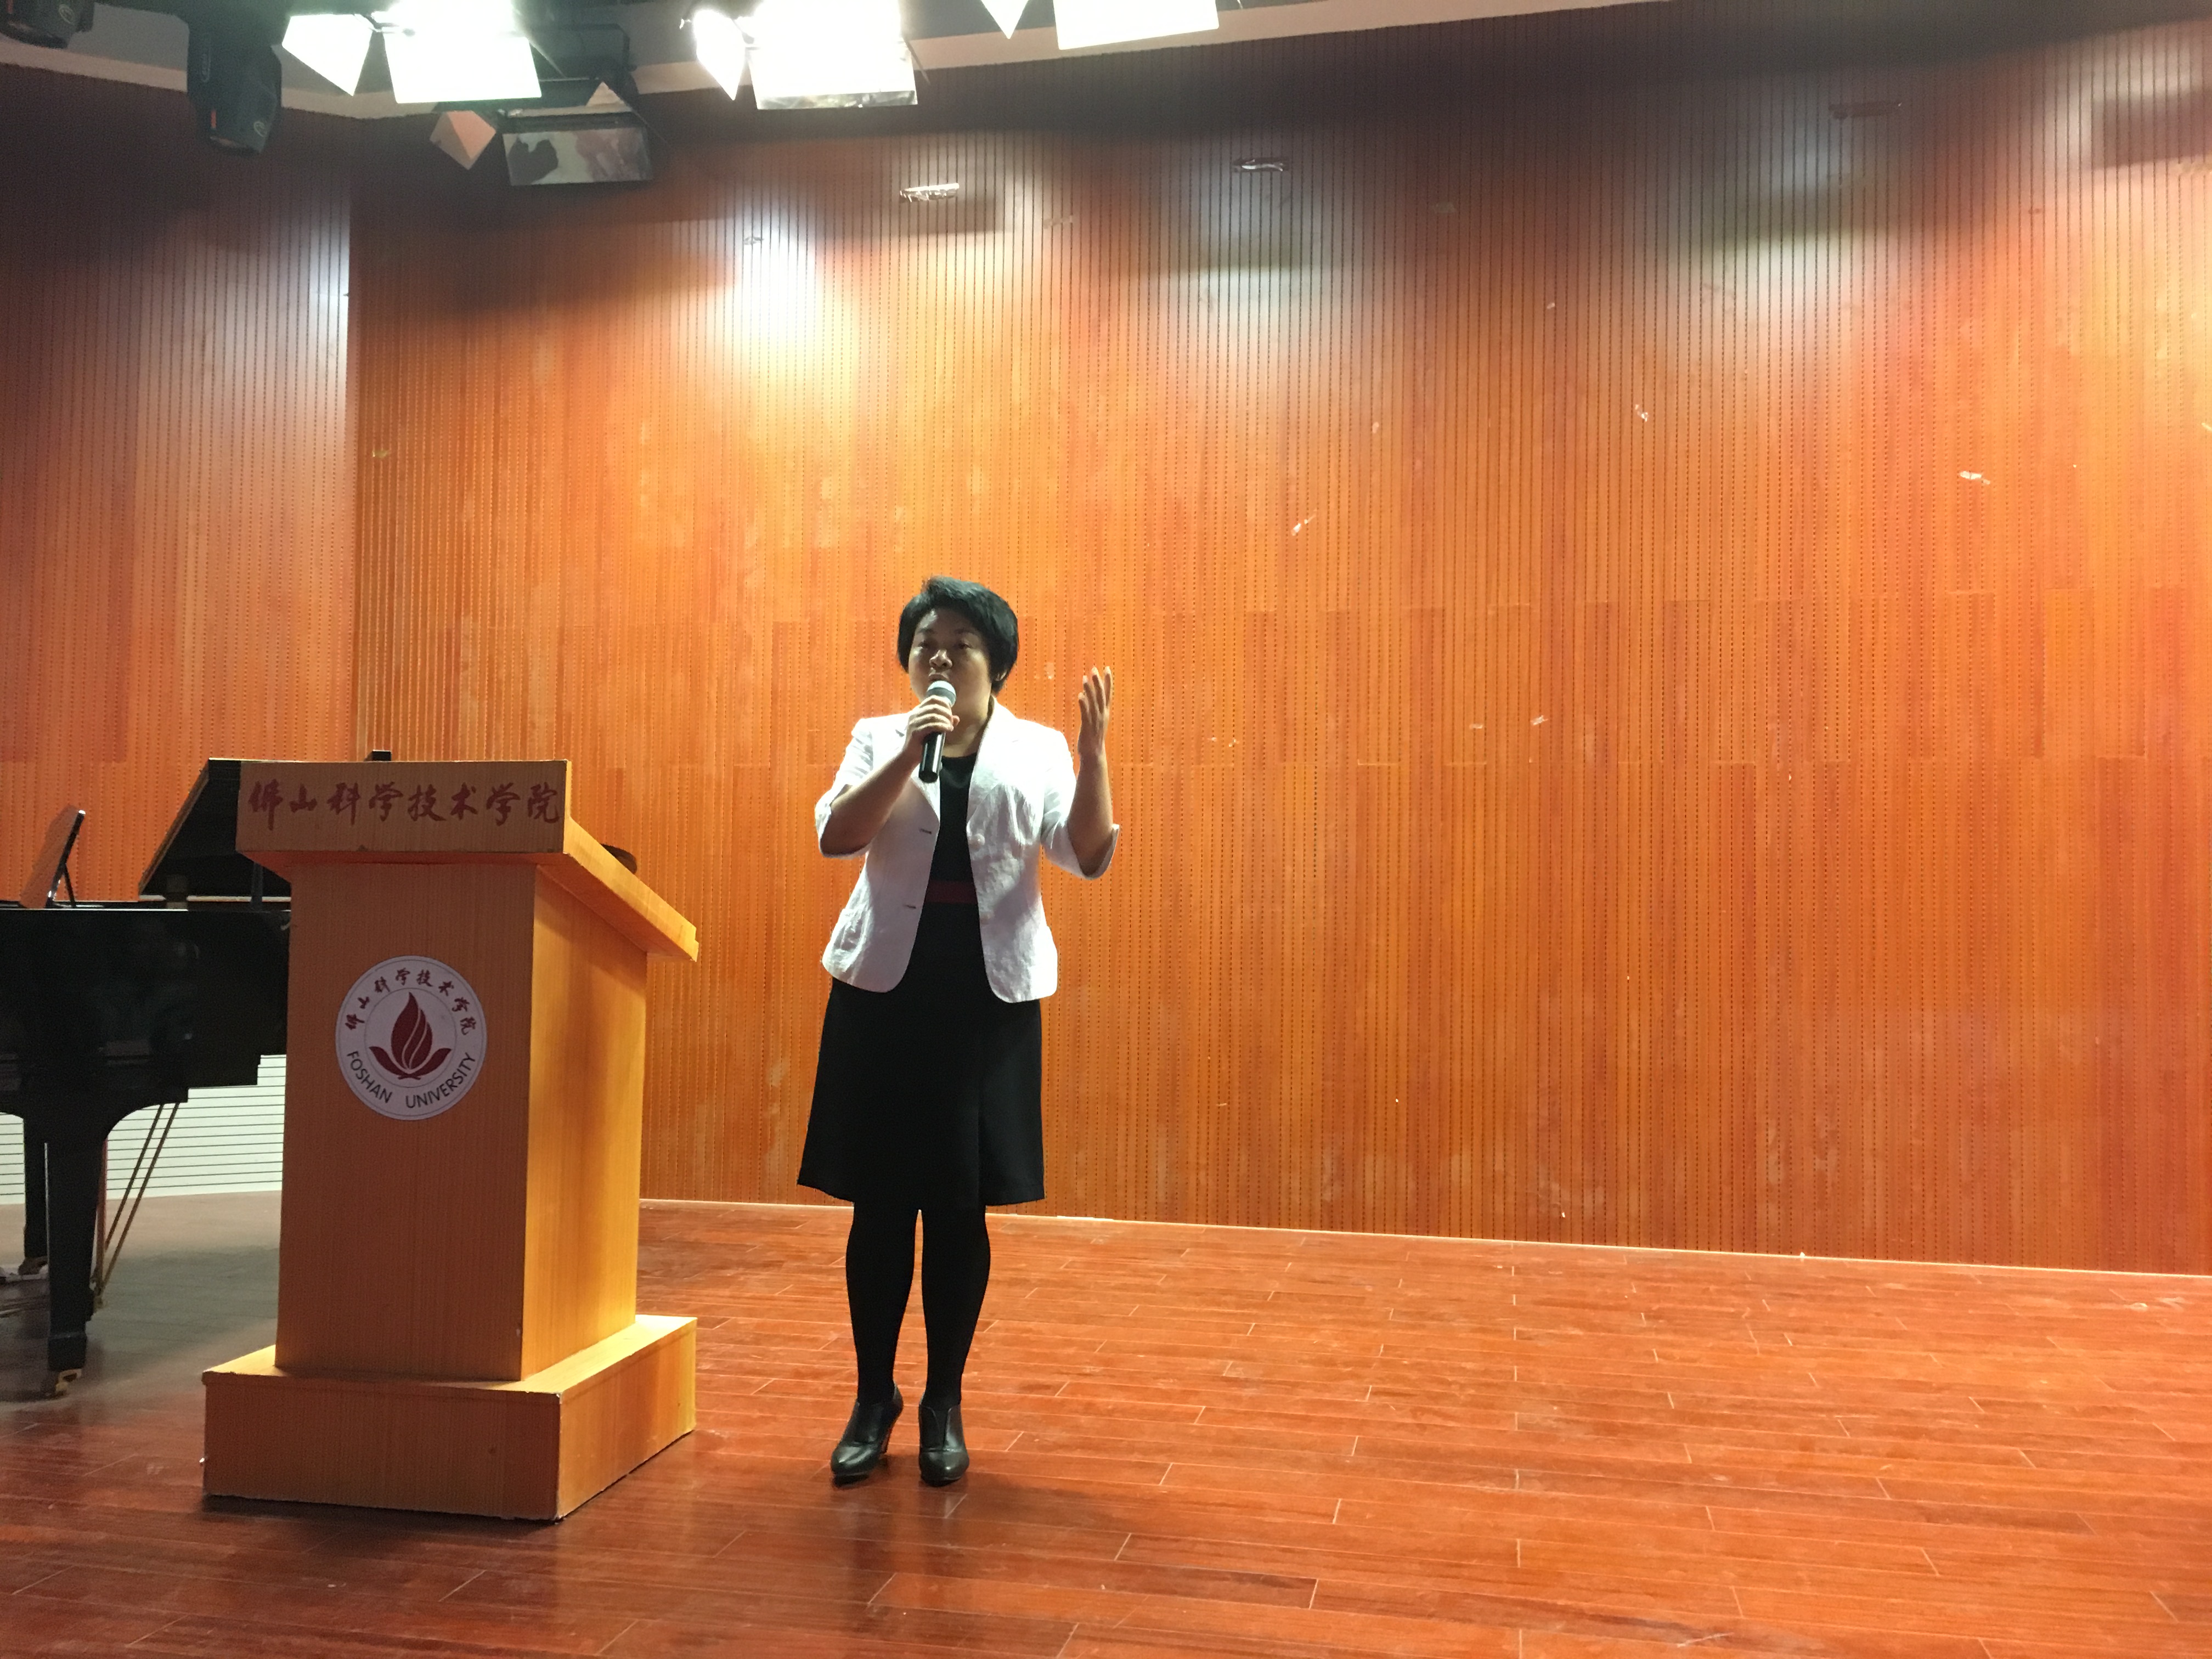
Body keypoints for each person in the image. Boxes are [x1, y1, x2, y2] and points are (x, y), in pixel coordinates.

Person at [802, 576, 1117, 1487]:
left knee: (958, 1207)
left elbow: (1085, 853)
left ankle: (944, 1400)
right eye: (925, 643)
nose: (939, 657)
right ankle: (873, 1397)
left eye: (961, 644)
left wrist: (1094, 755)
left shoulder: (1039, 748)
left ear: (997, 664)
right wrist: (912, 750)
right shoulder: (881, 736)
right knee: (879, 1206)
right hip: (884, 993)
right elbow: (837, 836)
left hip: (986, 1003)